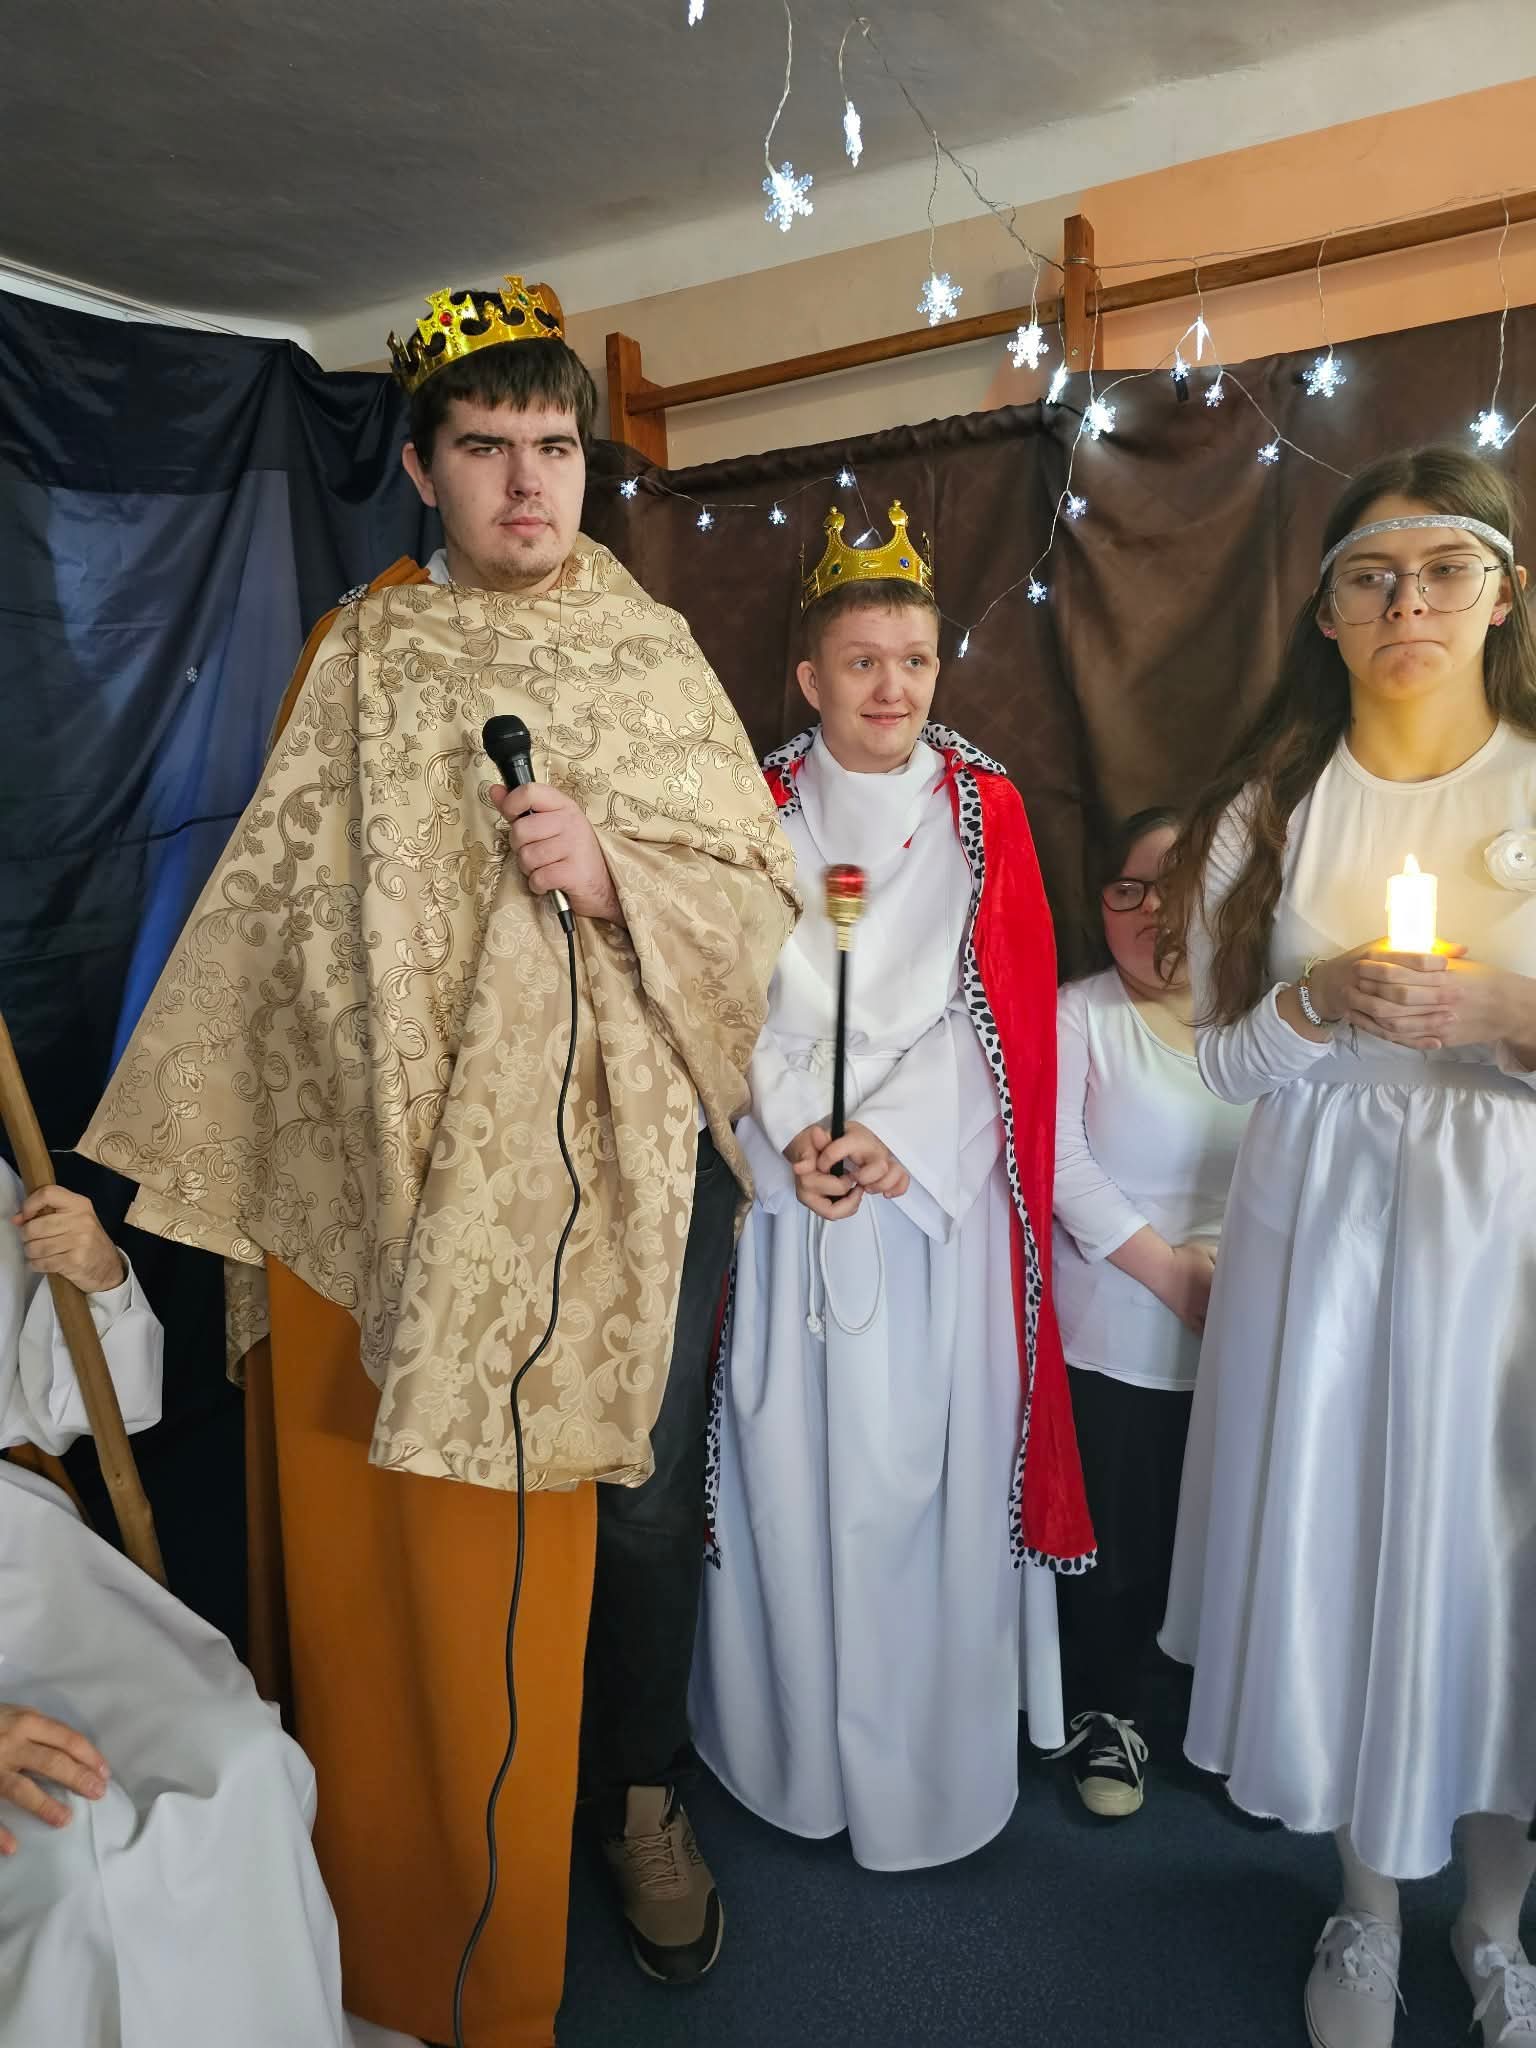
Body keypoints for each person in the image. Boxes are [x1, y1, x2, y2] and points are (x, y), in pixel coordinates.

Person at [78, 278, 798, 2039]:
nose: (528, 483)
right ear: (420, 466)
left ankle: (637, 1799)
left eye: (555, 446)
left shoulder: (649, 653)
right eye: (487, 447)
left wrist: (621, 875)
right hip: (387, 1177)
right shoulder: (360, 655)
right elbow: (277, 926)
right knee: (413, 1540)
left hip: (621, 1173)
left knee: (629, 1509)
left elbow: (762, 897)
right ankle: (395, 1897)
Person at [1157, 446, 1536, 2048]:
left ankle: (1498, 1925)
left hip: (1504, 1245)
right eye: (1372, 578)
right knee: (1347, 1543)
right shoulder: (1271, 810)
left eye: (1443, 571)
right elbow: (1220, 1059)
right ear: (1325, 614)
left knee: (1497, 1559)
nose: (1407, 605)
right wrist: (1313, 1000)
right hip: (1323, 1240)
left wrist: (1506, 1011)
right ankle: (1367, 1906)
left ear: (1503, 595)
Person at [689, 503, 1094, 1872]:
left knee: (925, 1470)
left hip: (931, 1208)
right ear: (811, 677)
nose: (893, 689)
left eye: (914, 660)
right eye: (862, 662)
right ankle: (796, 1755)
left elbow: (1006, 1018)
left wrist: (894, 1138)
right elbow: (722, 993)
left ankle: (930, 1761)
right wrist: (797, 1129)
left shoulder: (985, 811)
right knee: (791, 1466)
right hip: (792, 1194)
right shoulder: (748, 807)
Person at [0, 1167, 418, 2048]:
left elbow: (70, 1409)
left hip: (23, 1560)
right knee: (77, 1871)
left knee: (244, 1761)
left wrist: (100, 1280)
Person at [1048, 809, 1250, 1818]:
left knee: (1231, 1536)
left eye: (1173, 886)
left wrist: (1232, 1272)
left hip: (1251, 1323)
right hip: (1115, 1328)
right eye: (1126, 888)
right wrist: (1175, 1275)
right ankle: (1109, 1711)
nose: (1150, 910)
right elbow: (1059, 1164)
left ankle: (1230, 1726)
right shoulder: (1079, 1014)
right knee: (1118, 1541)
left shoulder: (1262, 1021)